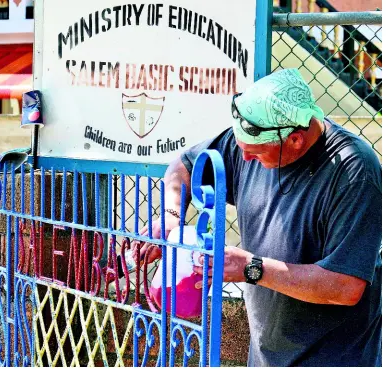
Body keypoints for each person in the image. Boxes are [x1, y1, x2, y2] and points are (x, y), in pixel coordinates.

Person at [138, 68, 382, 366]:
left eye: (255, 153)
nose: (245, 160)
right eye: (242, 149)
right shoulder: (255, 136)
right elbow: (183, 166)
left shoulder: (354, 172)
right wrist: (171, 216)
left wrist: (251, 268)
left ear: (295, 140)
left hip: (333, 357)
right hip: (266, 354)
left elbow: (346, 287)